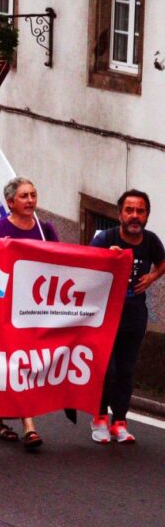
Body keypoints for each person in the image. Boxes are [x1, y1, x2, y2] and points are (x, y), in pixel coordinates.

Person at [0, 177, 58, 451]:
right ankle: (29, 426)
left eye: (33, 195)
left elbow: (62, 261)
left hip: (35, 308)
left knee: (23, 363)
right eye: (24, 196)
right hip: (6, 308)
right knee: (19, 362)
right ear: (10, 202)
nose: (30, 200)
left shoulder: (45, 229)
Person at [89, 189, 164, 444]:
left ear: (147, 215)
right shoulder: (105, 238)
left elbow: (162, 261)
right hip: (105, 315)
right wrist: (105, 258)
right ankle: (99, 418)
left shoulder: (151, 241)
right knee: (106, 370)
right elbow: (84, 265)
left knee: (126, 371)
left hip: (134, 314)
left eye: (140, 211)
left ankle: (119, 421)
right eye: (129, 210)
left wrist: (152, 277)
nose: (134, 216)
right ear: (119, 214)